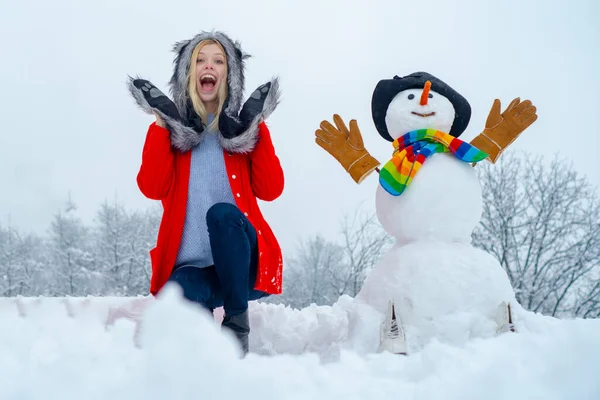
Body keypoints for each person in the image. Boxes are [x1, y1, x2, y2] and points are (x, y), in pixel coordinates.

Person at [127, 30, 284, 355]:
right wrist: (160, 126)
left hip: (243, 267)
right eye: (199, 60)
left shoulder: (240, 132)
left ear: (230, 74)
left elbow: (271, 190)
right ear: (187, 72)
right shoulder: (171, 135)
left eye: (218, 60)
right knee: (187, 315)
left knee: (222, 214)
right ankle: (206, 360)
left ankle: (237, 322)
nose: (207, 66)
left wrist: (256, 128)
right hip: (193, 271)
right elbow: (152, 187)